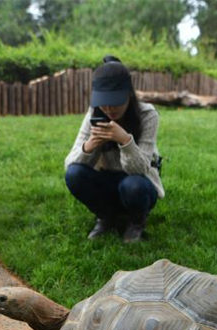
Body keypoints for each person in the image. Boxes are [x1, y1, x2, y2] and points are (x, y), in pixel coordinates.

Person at [64, 57, 164, 243]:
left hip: (139, 184)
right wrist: (90, 146)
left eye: (115, 101)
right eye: (104, 101)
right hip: (106, 180)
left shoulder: (147, 115)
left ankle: (136, 222)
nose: (109, 108)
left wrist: (125, 140)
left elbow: (140, 168)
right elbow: (69, 164)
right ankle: (106, 217)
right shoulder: (94, 114)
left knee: (132, 185)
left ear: (129, 94)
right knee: (74, 174)